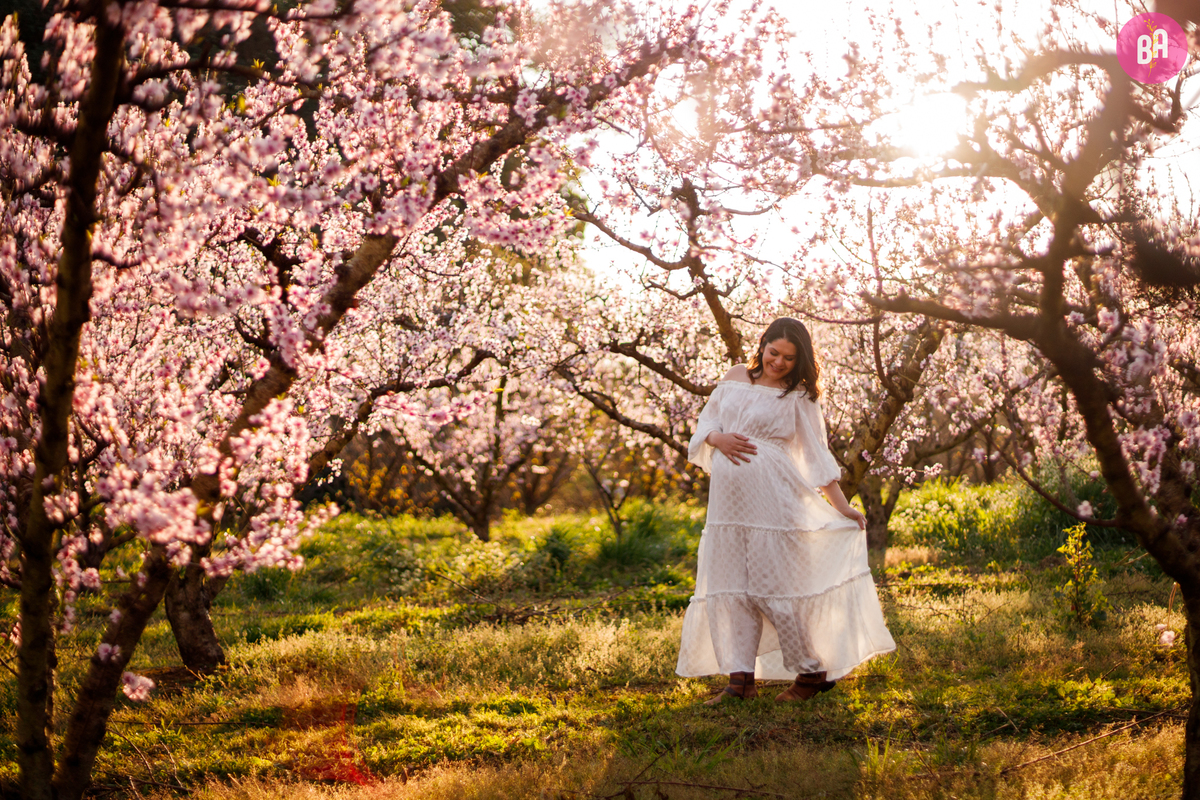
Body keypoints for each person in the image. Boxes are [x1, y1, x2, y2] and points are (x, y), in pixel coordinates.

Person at [676, 317, 895, 704]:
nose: (778, 362)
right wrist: (717, 437)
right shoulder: (735, 376)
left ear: (800, 361)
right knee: (731, 587)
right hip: (728, 507)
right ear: (762, 346)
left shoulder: (799, 396)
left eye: (789, 358)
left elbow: (816, 454)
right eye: (773, 352)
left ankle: (812, 673)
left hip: (774, 503)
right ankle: (739, 682)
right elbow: (705, 422)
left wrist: (841, 506)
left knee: (774, 588)